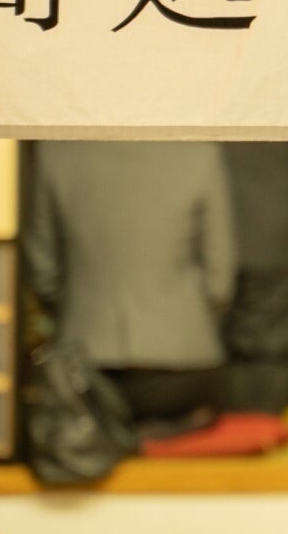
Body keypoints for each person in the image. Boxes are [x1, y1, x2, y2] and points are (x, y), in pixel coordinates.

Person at [23, 142, 238, 427]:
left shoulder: (55, 153)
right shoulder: (200, 153)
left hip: (85, 365)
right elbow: (220, 279)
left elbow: (41, 268)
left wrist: (71, 312)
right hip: (186, 365)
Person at [219, 142, 288, 415]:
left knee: (213, 351)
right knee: (269, 353)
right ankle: (264, 432)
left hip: (205, 218)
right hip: (271, 224)